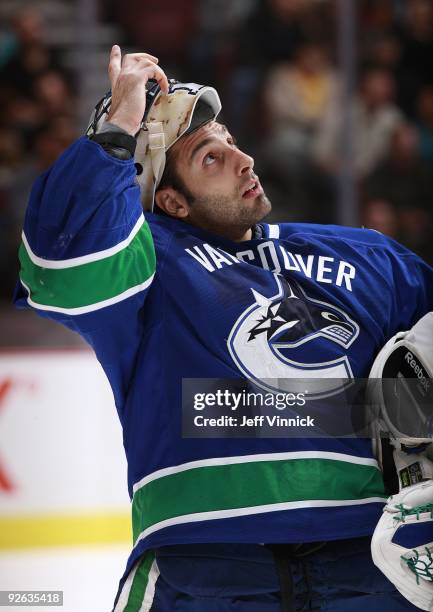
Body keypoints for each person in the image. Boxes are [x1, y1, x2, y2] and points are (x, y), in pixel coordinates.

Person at [14, 47, 433, 612]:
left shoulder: (366, 257)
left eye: (234, 142)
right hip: (204, 563)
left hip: (372, 559)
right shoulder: (148, 263)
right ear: (172, 202)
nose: (244, 160)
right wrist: (118, 128)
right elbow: (59, 269)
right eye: (211, 158)